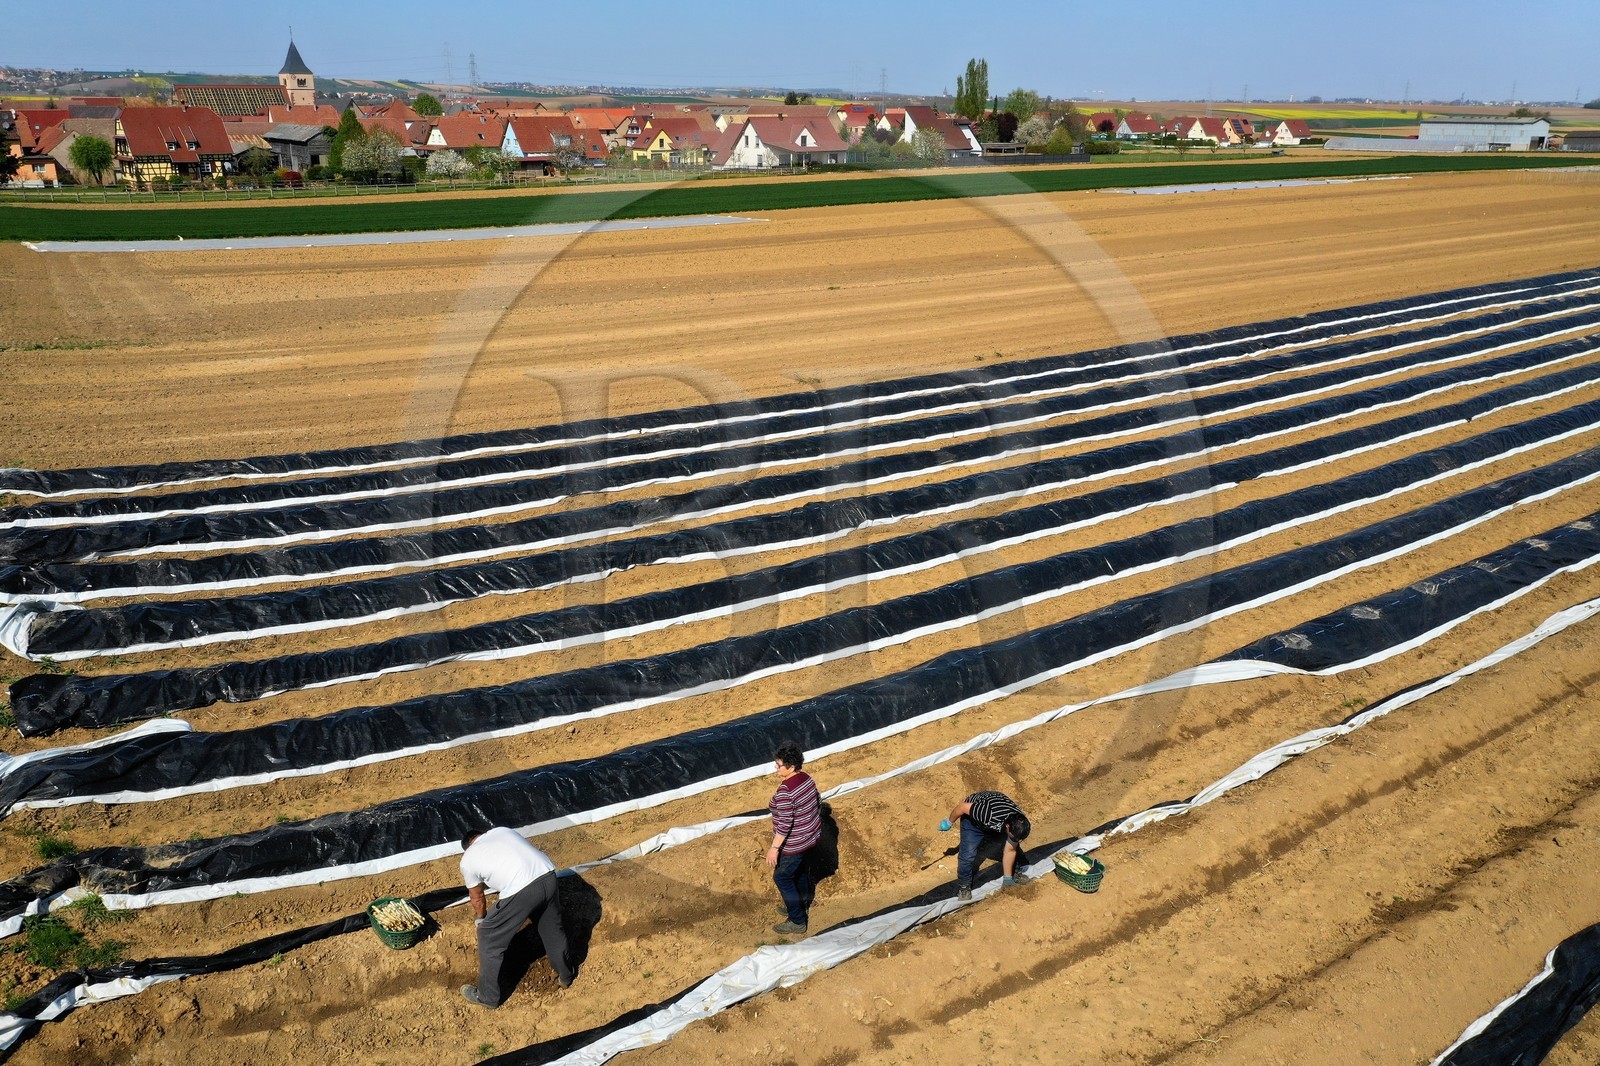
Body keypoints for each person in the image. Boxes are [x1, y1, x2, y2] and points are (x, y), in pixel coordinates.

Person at [459, 827, 574, 1008]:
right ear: (483, 835)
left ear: (468, 847)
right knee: (552, 930)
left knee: (488, 937)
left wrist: (481, 919)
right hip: (548, 875)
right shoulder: (502, 831)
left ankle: (487, 997)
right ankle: (566, 975)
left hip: (522, 890)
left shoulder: (468, 859)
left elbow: (477, 897)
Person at [767, 741, 823, 936]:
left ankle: (797, 920)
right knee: (798, 872)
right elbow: (818, 801)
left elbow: (784, 824)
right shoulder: (807, 779)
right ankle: (801, 903)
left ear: (791, 767)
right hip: (811, 838)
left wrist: (774, 848)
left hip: (795, 843)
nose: (776, 767)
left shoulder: (785, 791)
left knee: (781, 876)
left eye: (779, 764)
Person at [941, 790, 1032, 901]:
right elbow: (962, 807)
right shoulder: (987, 813)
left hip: (997, 814)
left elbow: (1010, 850)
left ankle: (1013, 872)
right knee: (968, 853)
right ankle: (964, 886)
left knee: (1008, 846)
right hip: (972, 821)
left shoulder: (1019, 822)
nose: (1016, 840)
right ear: (1007, 826)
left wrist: (1007, 879)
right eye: (1014, 837)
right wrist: (949, 822)